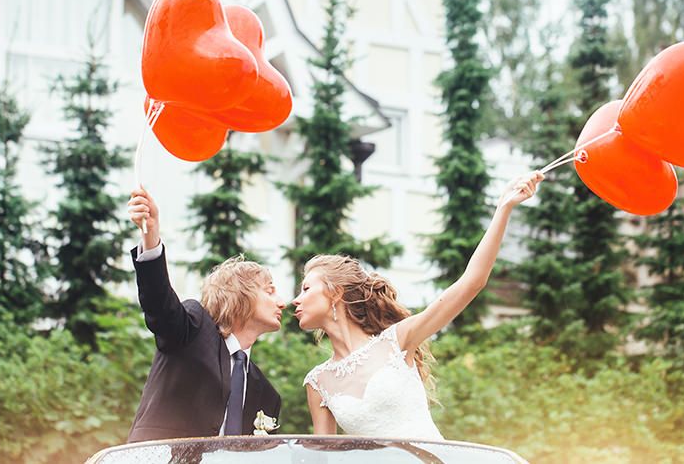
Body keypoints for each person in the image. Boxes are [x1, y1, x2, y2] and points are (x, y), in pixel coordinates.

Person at [292, 172, 544, 439]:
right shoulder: (318, 382)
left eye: (306, 288)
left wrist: (503, 208)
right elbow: (323, 457)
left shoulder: (397, 341)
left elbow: (471, 283)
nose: (295, 299)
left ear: (335, 293)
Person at [125, 186, 285, 442]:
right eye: (270, 291)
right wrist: (151, 235)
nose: (282, 302)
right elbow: (159, 304)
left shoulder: (266, 393)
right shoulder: (192, 328)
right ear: (240, 294)